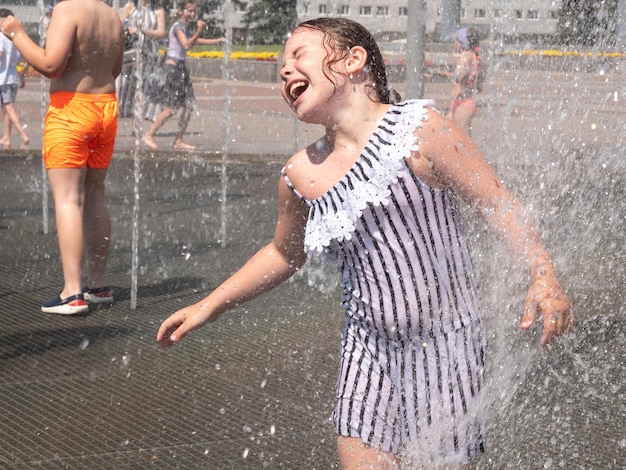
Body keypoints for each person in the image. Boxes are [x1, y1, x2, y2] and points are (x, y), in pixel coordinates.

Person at [156, 18, 573, 469]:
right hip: (366, 346)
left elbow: (499, 205)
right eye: (281, 62)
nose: (284, 69)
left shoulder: (420, 130)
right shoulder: (302, 172)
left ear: (354, 61)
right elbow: (283, 252)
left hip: (446, 346)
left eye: (298, 55)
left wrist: (543, 272)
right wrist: (210, 304)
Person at [1, 0, 125, 315]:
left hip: (71, 110)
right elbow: (116, 69)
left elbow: (51, 65)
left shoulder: (68, 9)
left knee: (68, 198)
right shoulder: (112, 16)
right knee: (95, 195)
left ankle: (72, 293)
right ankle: (98, 284)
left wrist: (16, 32)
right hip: (106, 109)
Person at [142, 1, 224, 151]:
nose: (192, 14)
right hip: (172, 70)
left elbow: (194, 41)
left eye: (194, 12)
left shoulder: (184, 27)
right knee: (171, 108)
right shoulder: (178, 27)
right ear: (181, 11)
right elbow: (187, 44)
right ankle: (149, 135)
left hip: (181, 70)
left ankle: (178, 140)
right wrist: (199, 30)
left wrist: (215, 41)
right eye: (189, 11)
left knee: (189, 106)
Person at [116, 0, 166, 120]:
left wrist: (142, 31)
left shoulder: (157, 10)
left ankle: (136, 126)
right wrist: (127, 29)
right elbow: (118, 26)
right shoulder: (130, 6)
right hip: (131, 54)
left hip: (149, 55)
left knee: (143, 90)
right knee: (123, 85)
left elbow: (161, 32)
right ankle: (116, 118)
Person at [0, 9, 29, 150]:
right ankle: (6, 137)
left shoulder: (1, 36)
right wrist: (22, 75)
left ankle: (23, 135)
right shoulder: (16, 36)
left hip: (3, 78)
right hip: (12, 78)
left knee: (9, 108)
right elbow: (26, 56)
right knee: (6, 109)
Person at [448, 27, 483, 134]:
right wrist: (441, 73)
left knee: (460, 141)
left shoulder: (465, 56)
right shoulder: (474, 56)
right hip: (464, 102)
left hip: (461, 104)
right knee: (457, 139)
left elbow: (459, 78)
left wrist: (451, 109)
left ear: (462, 43)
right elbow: (478, 86)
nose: (454, 42)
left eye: (456, 40)